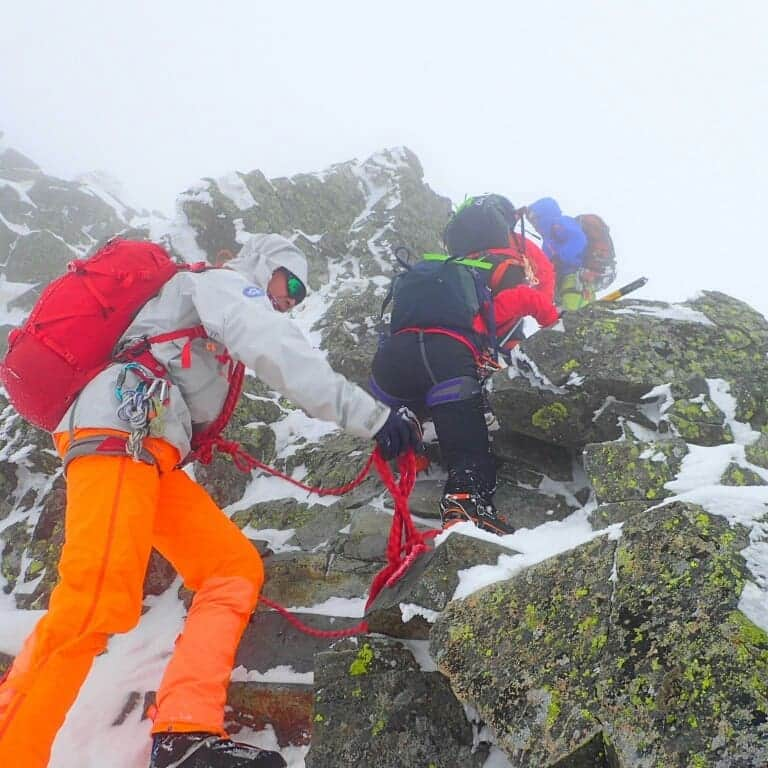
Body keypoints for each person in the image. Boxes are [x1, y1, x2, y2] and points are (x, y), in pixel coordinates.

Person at [0, 234, 422, 768]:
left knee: (231, 570)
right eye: (288, 281)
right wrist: (375, 418)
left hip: (148, 451)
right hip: (119, 434)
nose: (292, 298)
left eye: (302, 294)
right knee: (95, 599)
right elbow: (278, 350)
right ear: (261, 264)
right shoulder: (220, 284)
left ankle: (184, 732)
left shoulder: (200, 316)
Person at [370, 196, 559, 537]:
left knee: (410, 401)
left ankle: (408, 436)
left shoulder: (441, 282)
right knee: (467, 438)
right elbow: (526, 298)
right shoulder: (482, 295)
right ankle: (466, 499)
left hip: (390, 365)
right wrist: (555, 324)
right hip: (446, 359)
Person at [526, 197, 617, 310]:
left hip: (574, 277)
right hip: (565, 281)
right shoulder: (548, 239)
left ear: (545, 214)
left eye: (535, 219)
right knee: (568, 309)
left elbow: (578, 239)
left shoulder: (560, 223)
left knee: (573, 310)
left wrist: (560, 257)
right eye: (531, 221)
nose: (534, 224)